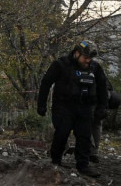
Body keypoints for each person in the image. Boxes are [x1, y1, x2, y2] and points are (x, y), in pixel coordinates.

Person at [37, 40, 108, 177]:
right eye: (85, 57)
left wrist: (102, 106)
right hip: (64, 106)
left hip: (85, 107)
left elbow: (102, 87)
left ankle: (83, 165)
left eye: (90, 58)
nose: (88, 61)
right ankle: (55, 162)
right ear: (76, 53)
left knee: (84, 136)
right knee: (62, 133)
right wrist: (41, 104)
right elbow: (46, 83)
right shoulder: (61, 65)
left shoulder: (95, 67)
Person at [91, 78, 120, 163]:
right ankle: (94, 153)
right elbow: (109, 86)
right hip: (105, 96)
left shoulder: (83, 68)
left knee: (85, 123)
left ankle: (91, 150)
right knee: (97, 124)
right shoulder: (98, 70)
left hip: (94, 96)